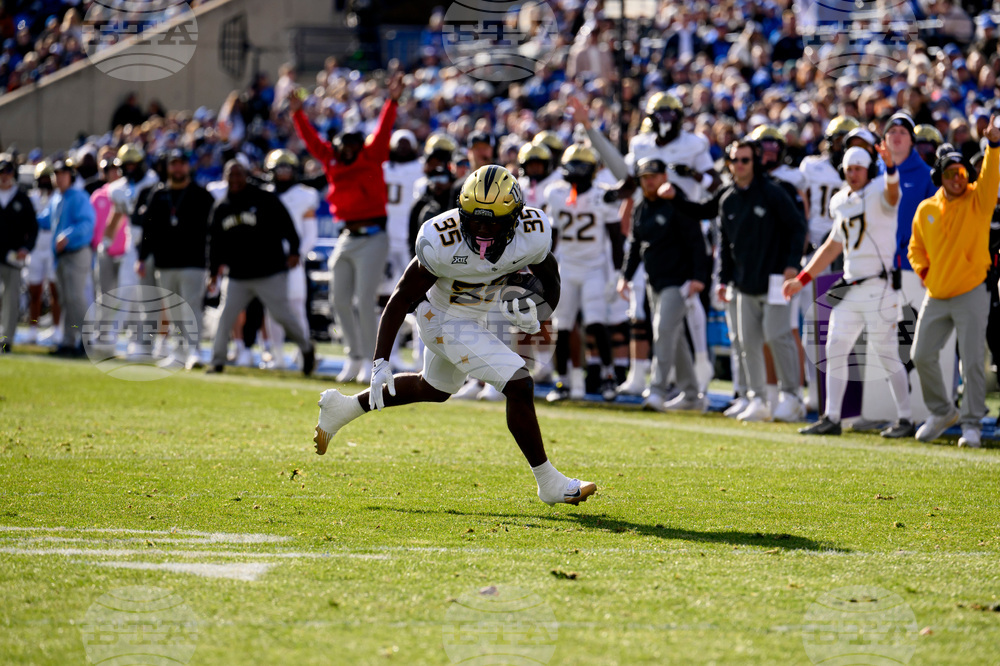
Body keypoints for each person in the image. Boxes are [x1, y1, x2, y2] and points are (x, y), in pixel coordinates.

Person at [312, 165, 596, 507]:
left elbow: (551, 279)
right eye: (475, 220)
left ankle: (342, 409)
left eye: (494, 221)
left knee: (433, 389)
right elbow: (401, 297)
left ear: (516, 218)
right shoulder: (440, 239)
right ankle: (548, 482)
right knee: (519, 383)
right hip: (440, 318)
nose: (483, 230)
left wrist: (541, 311)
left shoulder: (532, 234)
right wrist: (380, 362)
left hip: (475, 317)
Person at [669, 140, 807, 422]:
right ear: (729, 163)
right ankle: (757, 399)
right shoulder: (727, 196)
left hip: (775, 278)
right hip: (743, 282)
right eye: (735, 160)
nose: (740, 165)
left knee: (777, 336)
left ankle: (792, 397)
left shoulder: (773, 192)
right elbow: (719, 233)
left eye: (745, 160)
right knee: (747, 342)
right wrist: (723, 278)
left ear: (754, 162)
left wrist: (793, 264)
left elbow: (798, 227)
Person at [783, 144, 914, 438]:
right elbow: (832, 245)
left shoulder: (881, 189)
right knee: (835, 347)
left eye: (858, 169)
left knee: (887, 353)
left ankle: (905, 418)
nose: (853, 174)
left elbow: (894, 196)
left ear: (869, 170)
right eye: (849, 169)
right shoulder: (842, 200)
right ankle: (831, 417)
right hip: (851, 285)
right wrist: (802, 279)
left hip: (879, 285)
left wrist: (891, 168)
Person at [289, 74, 403, 384]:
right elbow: (312, 142)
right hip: (347, 235)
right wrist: (298, 113)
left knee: (363, 301)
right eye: (345, 146)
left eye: (355, 145)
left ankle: (370, 359)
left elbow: (382, 130)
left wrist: (392, 101)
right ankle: (353, 356)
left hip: (373, 236)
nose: (350, 150)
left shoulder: (372, 156)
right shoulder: (332, 161)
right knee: (339, 300)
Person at [908, 121, 1000, 448]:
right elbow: (915, 249)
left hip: (972, 291)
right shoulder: (926, 209)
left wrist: (993, 144)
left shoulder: (979, 200)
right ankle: (942, 411)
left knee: (973, 360)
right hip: (937, 293)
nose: (958, 178)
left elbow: (991, 172)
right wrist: (925, 275)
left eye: (962, 173)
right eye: (951, 174)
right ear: (940, 177)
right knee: (921, 355)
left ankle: (972, 423)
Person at [206, 160, 315, 376]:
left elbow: (287, 225)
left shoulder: (264, 199)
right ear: (226, 178)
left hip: (269, 272)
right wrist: (213, 272)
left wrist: (294, 251)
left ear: (246, 176)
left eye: (239, 175)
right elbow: (215, 243)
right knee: (225, 316)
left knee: (283, 315)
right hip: (238, 275)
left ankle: (307, 348)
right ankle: (217, 361)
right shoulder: (222, 207)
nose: (235, 180)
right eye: (231, 175)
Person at [619, 157, 707, 411]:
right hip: (654, 281)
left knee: (663, 330)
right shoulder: (641, 207)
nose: (649, 181)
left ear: (664, 177)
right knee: (673, 336)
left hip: (678, 280)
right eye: (644, 177)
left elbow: (696, 241)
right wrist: (625, 277)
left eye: (653, 176)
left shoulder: (676, 204)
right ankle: (691, 395)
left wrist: (698, 277)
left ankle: (657, 390)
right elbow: (635, 246)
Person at [544, 143, 622, 402]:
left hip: (594, 269)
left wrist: (618, 273)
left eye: (581, 166)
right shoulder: (556, 194)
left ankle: (609, 377)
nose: (576, 171)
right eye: (572, 166)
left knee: (597, 323)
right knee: (562, 326)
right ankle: (562, 381)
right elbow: (552, 238)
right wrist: (544, 270)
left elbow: (616, 238)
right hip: (567, 267)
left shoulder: (603, 196)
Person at [137, 149, 216, 370]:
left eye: (181, 163)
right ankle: (179, 351)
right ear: (168, 167)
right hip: (165, 262)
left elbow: (213, 229)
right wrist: (142, 257)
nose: (177, 168)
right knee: (172, 310)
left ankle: (194, 350)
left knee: (191, 308)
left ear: (187, 166)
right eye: (173, 164)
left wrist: (213, 262)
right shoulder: (159, 194)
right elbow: (148, 228)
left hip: (194, 262)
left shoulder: (201, 195)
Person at [262, 149, 319, 369]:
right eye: (280, 168)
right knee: (272, 308)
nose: (284, 173)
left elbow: (310, 234)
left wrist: (297, 254)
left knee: (296, 308)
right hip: (269, 259)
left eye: (288, 168)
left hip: (293, 260)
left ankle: (302, 351)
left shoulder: (305, 195)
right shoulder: (264, 194)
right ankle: (276, 355)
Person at [37, 159, 95, 356]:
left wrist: (68, 235)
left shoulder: (78, 196)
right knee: (65, 299)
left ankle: (86, 341)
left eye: (63, 173)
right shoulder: (56, 199)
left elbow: (88, 223)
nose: (59, 177)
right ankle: (68, 342)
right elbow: (44, 221)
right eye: (57, 174)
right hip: (61, 256)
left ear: (70, 176)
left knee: (76, 297)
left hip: (77, 253)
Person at [0, 154, 38, 352]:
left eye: (7, 172)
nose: (4, 176)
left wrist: (26, 248)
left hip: (13, 257)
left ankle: (7, 339)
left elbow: (32, 228)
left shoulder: (22, 197)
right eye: (1, 173)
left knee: (11, 299)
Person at [25, 161, 60, 346]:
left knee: (55, 290)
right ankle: (33, 328)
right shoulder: (31, 198)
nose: (46, 182)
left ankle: (56, 329)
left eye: (48, 178)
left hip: (53, 249)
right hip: (36, 249)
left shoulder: (58, 198)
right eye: (43, 178)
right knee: (34, 291)